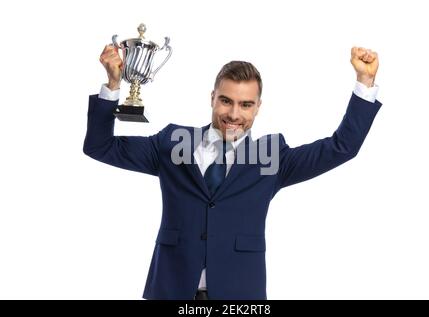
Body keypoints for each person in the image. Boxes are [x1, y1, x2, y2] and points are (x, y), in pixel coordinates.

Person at [83, 45, 382, 300]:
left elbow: (341, 148)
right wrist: (112, 84)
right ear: (212, 97)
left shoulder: (271, 157)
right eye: (226, 101)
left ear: (258, 107)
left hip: (240, 295)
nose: (234, 114)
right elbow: (100, 147)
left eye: (246, 104)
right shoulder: (174, 142)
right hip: (170, 289)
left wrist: (364, 83)